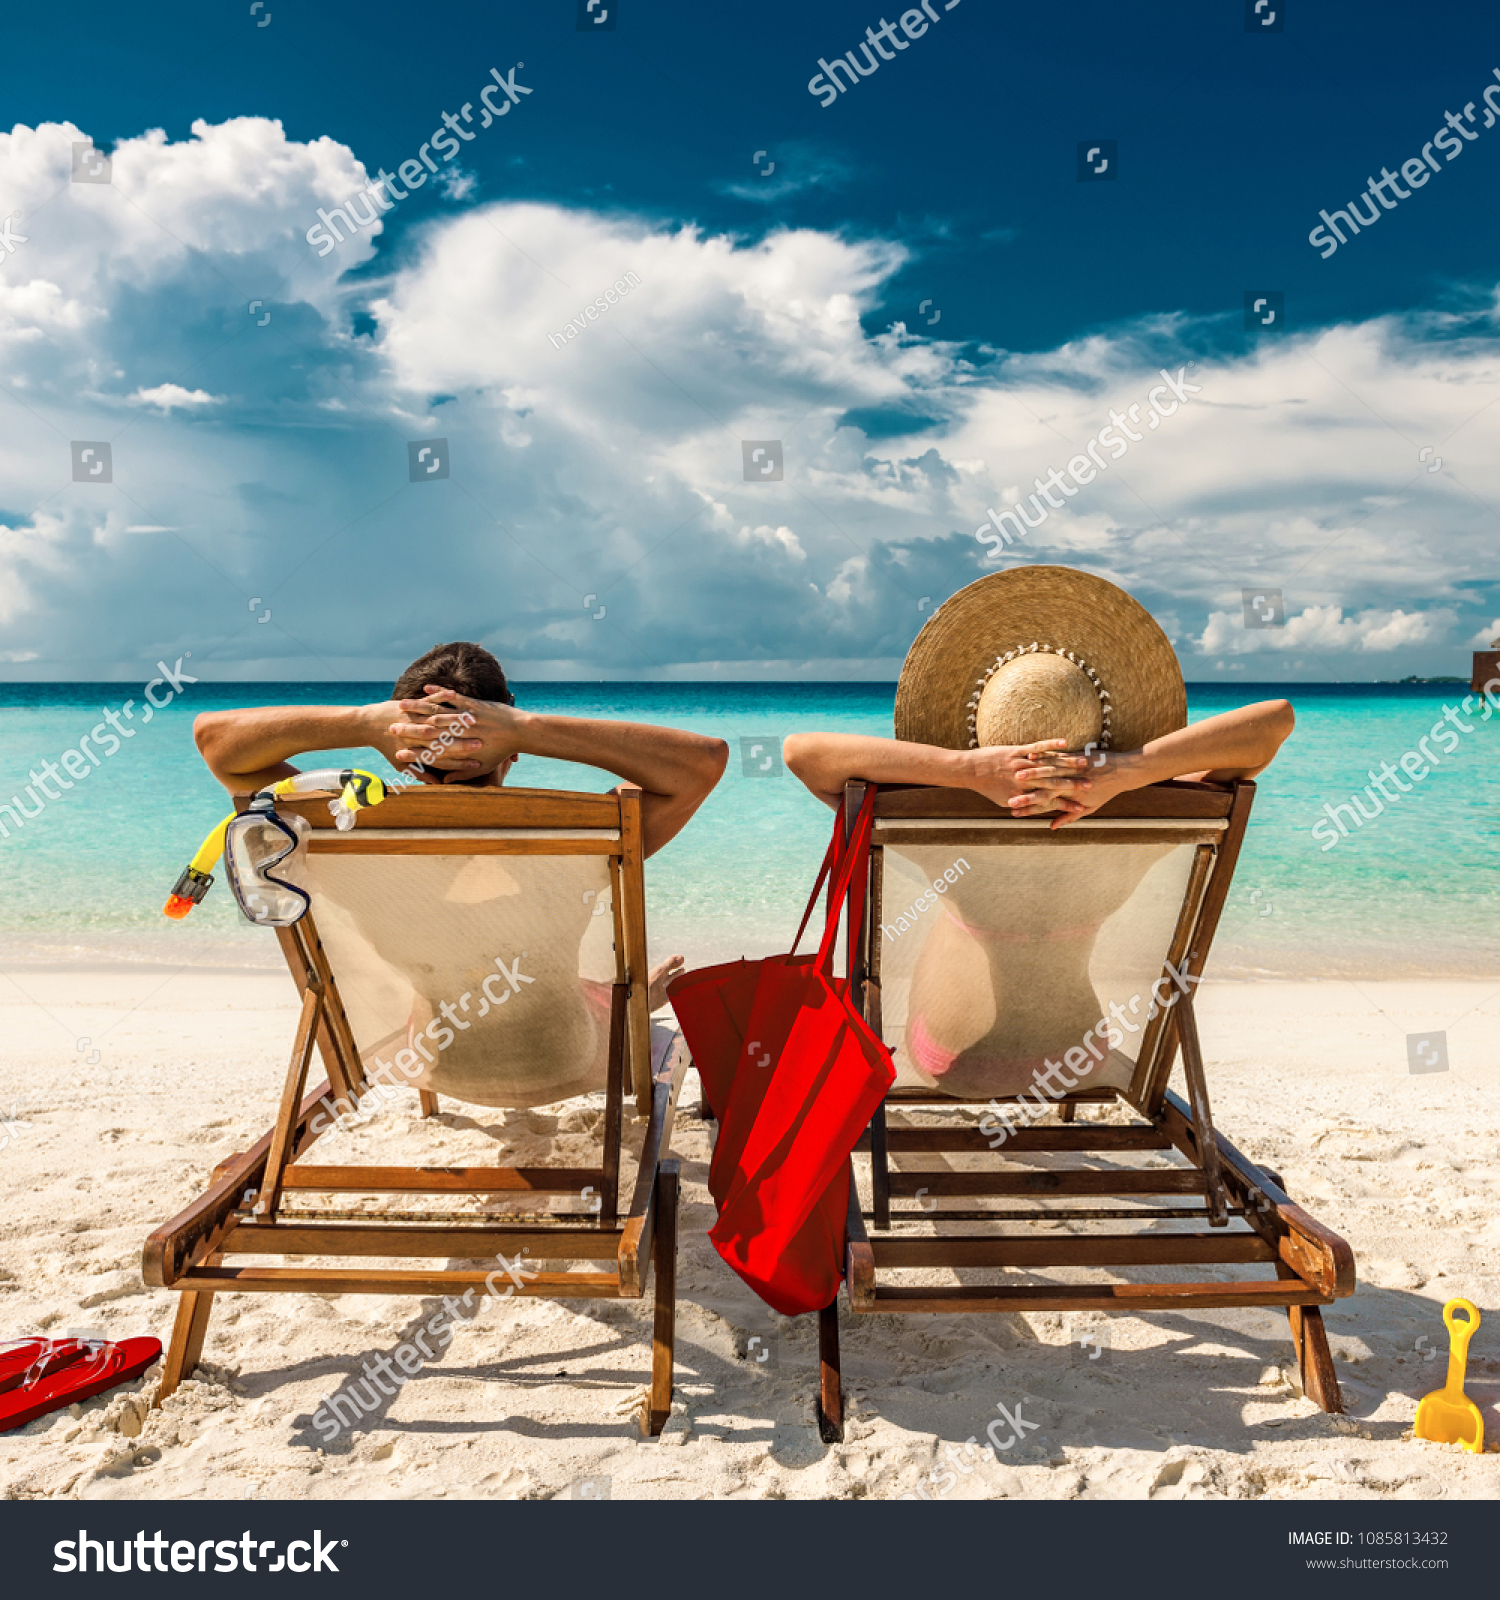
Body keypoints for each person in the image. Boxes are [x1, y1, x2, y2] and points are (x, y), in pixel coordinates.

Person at [780, 566, 1294, 1101]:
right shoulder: (1148, 819)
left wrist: (969, 771)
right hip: (1077, 1057)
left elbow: (802, 753)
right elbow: (1275, 721)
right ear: (1101, 730)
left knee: (954, 911)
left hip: (950, 1061)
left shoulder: (929, 823)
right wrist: (1125, 772)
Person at [194, 641, 728, 1023]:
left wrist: (361, 722)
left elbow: (219, 746)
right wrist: (524, 729)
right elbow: (702, 764)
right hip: (561, 1049)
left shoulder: (345, 836)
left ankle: (625, 1001)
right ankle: (632, 1004)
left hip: (431, 1053)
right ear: (510, 755)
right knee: (535, 981)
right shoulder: (583, 839)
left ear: (401, 752)